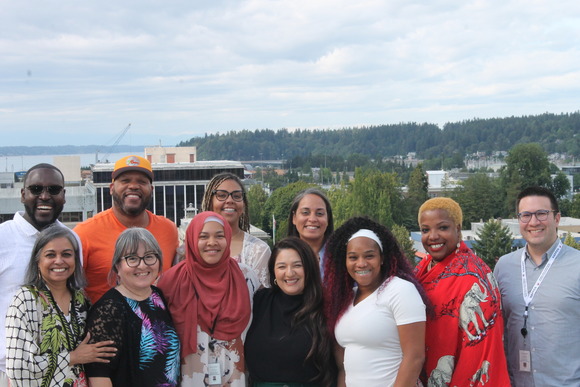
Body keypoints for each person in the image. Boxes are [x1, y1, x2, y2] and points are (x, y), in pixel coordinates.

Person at [5, 225, 116, 387]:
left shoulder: (80, 298)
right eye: (50, 255)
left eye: (66, 254)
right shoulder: (25, 299)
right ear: (37, 261)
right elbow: (19, 368)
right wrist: (72, 357)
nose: (59, 261)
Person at [415, 197, 509, 386]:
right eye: (426, 230)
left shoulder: (474, 275)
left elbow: (480, 349)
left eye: (442, 228)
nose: (433, 236)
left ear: (458, 230)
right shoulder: (419, 271)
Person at [158, 211, 259, 386]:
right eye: (203, 236)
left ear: (228, 238)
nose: (212, 243)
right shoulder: (171, 281)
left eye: (219, 236)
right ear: (191, 239)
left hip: (236, 378)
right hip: (188, 379)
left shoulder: (246, 277)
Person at [324, 216, 426, 386]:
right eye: (353, 257)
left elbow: (415, 357)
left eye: (369, 256)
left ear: (382, 258)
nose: (361, 263)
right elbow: (344, 368)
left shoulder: (400, 290)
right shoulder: (344, 300)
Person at [0, 163, 77, 387]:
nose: (44, 196)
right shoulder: (3, 237)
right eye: (36, 189)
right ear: (23, 194)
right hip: (8, 370)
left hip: (64, 370)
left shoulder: (72, 239)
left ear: (64, 195)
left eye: (53, 190)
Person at [494, 186, 580, 386]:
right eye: (526, 215)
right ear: (519, 220)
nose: (533, 222)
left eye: (541, 213)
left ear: (557, 218)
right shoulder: (504, 267)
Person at [74, 155, 179, 303]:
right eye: (125, 181)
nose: (134, 186)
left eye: (142, 182)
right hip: (104, 323)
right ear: (111, 188)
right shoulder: (84, 233)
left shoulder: (168, 229)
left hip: (159, 323)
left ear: (151, 189)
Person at [85, 227, 180, 386]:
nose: (142, 266)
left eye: (149, 257)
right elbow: (98, 373)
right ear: (117, 266)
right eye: (132, 258)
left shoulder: (159, 297)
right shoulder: (108, 309)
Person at [245, 237, 335, 386]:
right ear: (273, 271)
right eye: (281, 266)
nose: (289, 273)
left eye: (297, 265)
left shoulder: (327, 305)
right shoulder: (258, 301)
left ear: (309, 268)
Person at [201, 172, 271, 287]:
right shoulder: (189, 248)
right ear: (209, 201)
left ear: (243, 205)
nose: (230, 200)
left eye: (237, 196)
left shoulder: (259, 251)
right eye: (222, 195)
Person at [287, 188, 334, 276]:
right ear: (294, 218)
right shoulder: (282, 257)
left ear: (328, 219)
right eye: (305, 212)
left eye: (319, 213)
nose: (312, 219)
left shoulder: (343, 257)